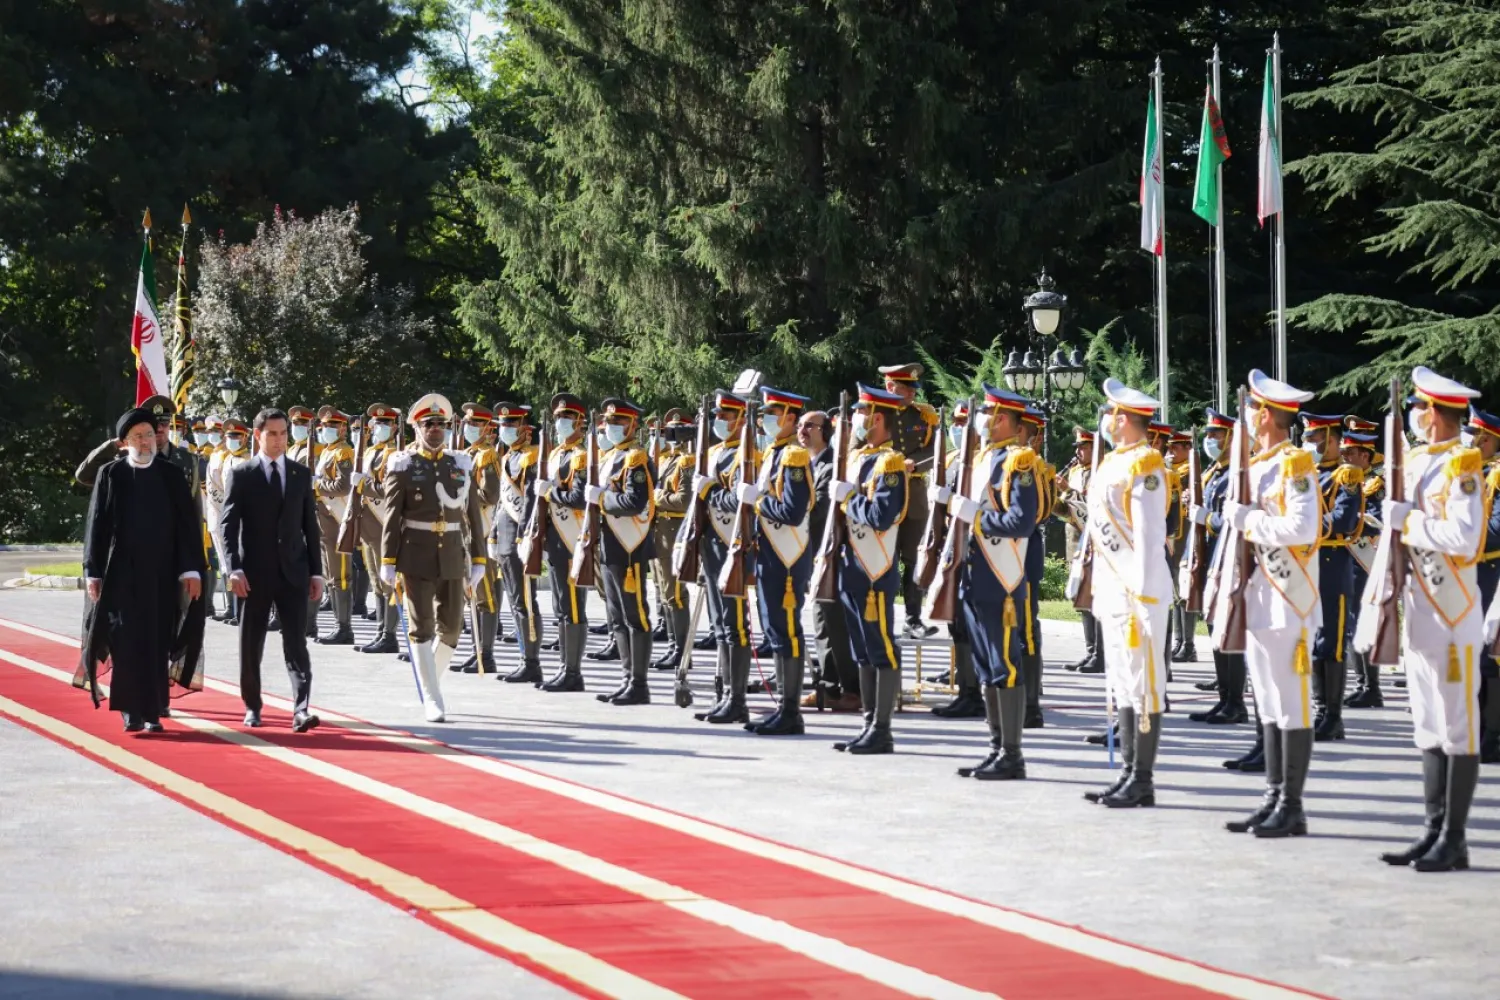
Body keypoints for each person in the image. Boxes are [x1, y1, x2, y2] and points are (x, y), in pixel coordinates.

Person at [1368, 368, 1483, 872]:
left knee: (1458, 727)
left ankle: (1454, 839)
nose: (1415, 413)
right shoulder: (1417, 462)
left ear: (1434, 413)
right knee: (1428, 726)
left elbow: (1464, 537)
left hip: (1452, 612)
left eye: (1419, 406)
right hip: (1418, 609)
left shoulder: (1464, 464)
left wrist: (1407, 520)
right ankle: (1432, 828)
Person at [1216, 370, 1322, 839]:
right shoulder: (1255, 465)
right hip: (1259, 596)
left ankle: (1292, 806)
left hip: (1289, 600)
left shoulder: (1296, 464)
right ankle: (1272, 796)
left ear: (1263, 415)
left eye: (1249, 411)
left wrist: (1249, 520)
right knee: (1269, 703)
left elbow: (1303, 530)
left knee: (1292, 703)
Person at [79, 407, 206, 732]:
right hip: (121, 574)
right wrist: (93, 571)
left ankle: (152, 711)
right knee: (126, 640)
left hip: (162, 574)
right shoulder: (111, 474)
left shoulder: (172, 476)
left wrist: (191, 569)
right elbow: (97, 526)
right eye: (138, 436)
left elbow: (187, 528)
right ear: (124, 442)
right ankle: (130, 711)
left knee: (157, 640)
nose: (146, 441)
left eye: (150, 434)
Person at [1081, 379, 1170, 808]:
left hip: (1140, 593)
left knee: (1144, 686)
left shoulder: (1146, 464)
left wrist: (1145, 595)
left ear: (1123, 419)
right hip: (1114, 591)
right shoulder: (1112, 462)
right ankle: (1127, 772)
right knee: (1122, 685)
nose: (1106, 420)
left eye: (1111, 413)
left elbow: (1151, 536)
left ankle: (1143, 778)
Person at [946, 385, 1040, 779]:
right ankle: (996, 747)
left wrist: (976, 518)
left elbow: (1021, 521)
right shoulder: (983, 459)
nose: (981, 419)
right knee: (985, 665)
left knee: (1005, 665)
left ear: (1001, 418)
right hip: (973, 573)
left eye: (986, 413)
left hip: (999, 576)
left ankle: (1013, 754)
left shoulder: (1019, 462)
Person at [380, 394, 488, 722]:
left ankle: (429, 683)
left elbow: (473, 516)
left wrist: (480, 560)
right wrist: (388, 561)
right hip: (416, 555)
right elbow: (391, 517)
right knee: (422, 627)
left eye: (441, 424)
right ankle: (431, 696)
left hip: (453, 555)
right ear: (417, 428)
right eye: (429, 424)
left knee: (453, 628)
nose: (436, 430)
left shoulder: (459, 464)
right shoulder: (403, 465)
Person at [220, 408, 324, 733]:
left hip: (293, 572)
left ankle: (301, 709)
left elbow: (311, 526)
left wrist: (316, 572)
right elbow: (227, 526)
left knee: (296, 642)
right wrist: (233, 569)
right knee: (251, 644)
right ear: (258, 435)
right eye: (272, 434)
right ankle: (252, 706)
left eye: (283, 434)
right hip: (253, 574)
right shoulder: (242, 474)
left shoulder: (299, 474)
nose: (279, 440)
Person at [830, 383, 909, 755]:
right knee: (862, 649)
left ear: (877, 417)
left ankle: (883, 728)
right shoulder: (859, 458)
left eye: (861, 413)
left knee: (880, 648)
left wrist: (848, 498)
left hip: (875, 566)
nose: (857, 419)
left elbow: (881, 515)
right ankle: (867, 721)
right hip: (851, 564)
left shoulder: (889, 464)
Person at [743, 387, 815, 736]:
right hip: (769, 552)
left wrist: (757, 502)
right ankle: (783, 707)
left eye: (773, 413)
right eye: (765, 414)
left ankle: (791, 711)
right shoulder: (773, 454)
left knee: (787, 632)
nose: (766, 419)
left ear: (790, 417)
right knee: (774, 630)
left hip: (787, 555)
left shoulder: (794, 458)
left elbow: (792, 511)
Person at [578, 397, 656, 705]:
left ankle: (640, 683)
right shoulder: (610, 456)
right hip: (609, 544)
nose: (611, 428)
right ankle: (627, 679)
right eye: (608, 423)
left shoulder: (636, 459)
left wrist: (601, 499)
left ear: (632, 425)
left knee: (635, 613)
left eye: (618, 422)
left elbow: (634, 502)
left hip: (629, 545)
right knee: (617, 615)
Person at [1300, 412, 1364, 741]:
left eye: (1314, 439)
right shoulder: (1306, 474)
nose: (1308, 444)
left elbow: (1343, 520)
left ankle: (1334, 717)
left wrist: (1301, 520)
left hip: (1332, 565)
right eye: (1307, 439)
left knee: (1333, 643)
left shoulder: (1346, 475)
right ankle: (1320, 708)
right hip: (1309, 566)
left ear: (1332, 440)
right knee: (1314, 640)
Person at [691, 390, 755, 724]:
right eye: (717, 416)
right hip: (713, 545)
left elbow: (742, 502)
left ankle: (737, 698)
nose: (719, 421)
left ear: (742, 419)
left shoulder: (748, 455)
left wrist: (710, 491)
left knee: (734, 625)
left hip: (734, 545)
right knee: (720, 625)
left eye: (725, 416)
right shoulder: (714, 453)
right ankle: (726, 693)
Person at [1186, 409, 1249, 726]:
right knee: (1215, 632)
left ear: (1231, 440)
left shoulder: (1238, 476)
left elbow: (1232, 521)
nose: (1210, 440)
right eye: (1208, 435)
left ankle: (1236, 703)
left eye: (1216, 435)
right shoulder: (1215, 473)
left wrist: (1204, 518)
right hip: (1212, 560)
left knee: (1228, 633)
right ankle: (1224, 699)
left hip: (1230, 561)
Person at [796, 409, 861, 712]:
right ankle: (828, 685)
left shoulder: (832, 464)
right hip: (810, 550)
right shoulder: (804, 461)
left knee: (834, 621)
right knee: (820, 620)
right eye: (800, 425)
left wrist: (787, 512)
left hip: (830, 549)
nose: (803, 430)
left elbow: (819, 507)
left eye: (810, 425)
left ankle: (850, 688)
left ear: (825, 431)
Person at [877, 362, 939, 639]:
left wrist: (917, 463)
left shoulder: (923, 417)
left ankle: (913, 619)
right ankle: (882, 615)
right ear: (890, 387)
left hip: (914, 495)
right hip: (882, 493)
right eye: (906, 389)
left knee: (914, 559)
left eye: (913, 389)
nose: (912, 394)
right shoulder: (876, 416)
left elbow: (936, 450)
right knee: (884, 558)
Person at [929, 402, 983, 717]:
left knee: (970, 623)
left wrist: (948, 499)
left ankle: (975, 692)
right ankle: (967, 689)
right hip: (951, 547)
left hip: (974, 548)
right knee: (956, 624)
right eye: (957, 421)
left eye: (965, 422)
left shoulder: (981, 462)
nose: (958, 427)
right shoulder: (951, 461)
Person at [536, 393, 591, 692]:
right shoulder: (557, 453)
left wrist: (549, 493)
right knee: (560, 604)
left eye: (567, 417)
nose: (561, 422)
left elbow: (577, 497)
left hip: (571, 537)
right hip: (556, 539)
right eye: (558, 417)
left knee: (571, 605)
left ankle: (573, 672)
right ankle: (563, 667)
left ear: (580, 422)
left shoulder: (580, 456)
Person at [493, 402, 545, 684]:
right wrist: (492, 533)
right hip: (504, 536)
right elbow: (503, 501)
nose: (506, 429)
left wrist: (526, 534)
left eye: (512, 424)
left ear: (525, 428)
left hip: (519, 537)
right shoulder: (508, 457)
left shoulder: (530, 458)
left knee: (525, 600)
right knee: (515, 600)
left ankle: (531, 661)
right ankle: (525, 658)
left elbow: (529, 501)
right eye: (503, 424)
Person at [452, 402, 502, 673]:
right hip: (464, 530)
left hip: (480, 529)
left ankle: (487, 655)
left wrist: (463, 490)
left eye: (474, 424)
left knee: (485, 596)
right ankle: (476, 652)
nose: (469, 428)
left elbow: (490, 495)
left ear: (486, 428)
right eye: (467, 424)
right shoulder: (466, 454)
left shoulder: (487, 457)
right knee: (471, 595)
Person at [1340, 423, 1384, 709]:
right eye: (1344, 452)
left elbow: (1378, 518)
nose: (1346, 458)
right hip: (1346, 558)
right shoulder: (1344, 480)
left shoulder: (1376, 484)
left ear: (1366, 456)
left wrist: (1352, 523)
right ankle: (1362, 683)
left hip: (1365, 559)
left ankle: (1372, 687)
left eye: (1352, 453)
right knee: (1352, 623)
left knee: (1364, 622)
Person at [355, 404, 403, 655]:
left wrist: (365, 486)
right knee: (376, 579)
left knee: (388, 581)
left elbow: (390, 490)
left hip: (385, 522)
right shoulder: (371, 451)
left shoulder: (395, 455)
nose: (380, 428)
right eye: (377, 423)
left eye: (385, 424)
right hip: (369, 525)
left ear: (395, 427)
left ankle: (390, 634)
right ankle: (381, 631)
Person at [650, 408, 696, 671]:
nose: (672, 435)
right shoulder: (667, 459)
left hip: (673, 529)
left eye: (678, 430)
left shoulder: (686, 462)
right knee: (664, 591)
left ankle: (681, 650)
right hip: (660, 529)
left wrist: (658, 498)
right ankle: (672, 646)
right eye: (670, 430)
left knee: (675, 593)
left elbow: (685, 500)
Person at [1467, 409, 1500, 763]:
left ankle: (1492, 736)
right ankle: (1475, 730)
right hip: (1472, 573)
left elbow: (1496, 530)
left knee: (1491, 655)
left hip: (1493, 570)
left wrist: (1461, 540)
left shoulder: (1498, 476)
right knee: (1473, 654)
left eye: (1479, 438)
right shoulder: (1473, 474)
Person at [1059, 427, 1104, 674]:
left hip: (1094, 540)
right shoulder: (1075, 472)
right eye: (1077, 447)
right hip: (1074, 539)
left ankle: (1101, 652)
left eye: (1083, 447)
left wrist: (1068, 490)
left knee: (1094, 597)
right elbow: (1067, 511)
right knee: (1081, 599)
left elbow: (1091, 506)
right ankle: (1090, 651)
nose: (1078, 452)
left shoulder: (1100, 472)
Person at [312, 407, 357, 645]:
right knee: (331, 573)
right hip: (325, 519)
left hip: (336, 518)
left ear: (342, 428)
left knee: (340, 575)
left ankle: (344, 628)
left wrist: (317, 487)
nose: (327, 430)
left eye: (332, 426)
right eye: (324, 427)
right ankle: (339, 625)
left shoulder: (343, 452)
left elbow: (344, 485)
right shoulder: (329, 452)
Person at [207, 418, 251, 626]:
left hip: (243, 518)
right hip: (226, 516)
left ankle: (243, 609)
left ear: (245, 438)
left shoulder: (247, 460)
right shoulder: (227, 459)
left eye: (236, 436)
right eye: (230, 436)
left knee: (242, 562)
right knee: (228, 562)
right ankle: (234, 609)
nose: (232, 439)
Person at [285, 405, 322, 639]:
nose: (299, 428)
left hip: (316, 513)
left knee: (314, 568)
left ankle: (310, 622)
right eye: (296, 424)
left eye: (303, 424)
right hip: (294, 512)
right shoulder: (291, 450)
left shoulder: (318, 450)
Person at [1168, 430, 1200, 663]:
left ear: (1188, 449)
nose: (1170, 452)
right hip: (1173, 537)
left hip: (1184, 535)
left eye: (1175, 448)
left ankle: (1188, 644)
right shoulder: (1173, 472)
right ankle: (1179, 641)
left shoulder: (1189, 472)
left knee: (1184, 592)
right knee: (1176, 593)